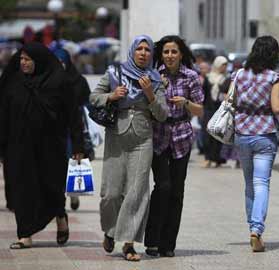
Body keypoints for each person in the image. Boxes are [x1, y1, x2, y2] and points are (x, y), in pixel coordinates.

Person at [89, 35, 168, 262]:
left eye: (148, 50)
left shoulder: (155, 79)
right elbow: (93, 97)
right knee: (111, 193)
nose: (143, 53)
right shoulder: (115, 72)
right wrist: (111, 96)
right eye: (139, 49)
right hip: (116, 136)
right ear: (132, 51)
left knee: (137, 192)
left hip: (143, 140)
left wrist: (151, 95)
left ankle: (129, 243)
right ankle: (110, 231)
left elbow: (162, 114)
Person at [0, 42, 84, 249]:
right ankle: (24, 234)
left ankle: (60, 215)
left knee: (51, 187)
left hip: (51, 148)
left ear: (39, 61)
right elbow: (2, 115)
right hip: (18, 147)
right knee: (21, 189)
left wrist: (78, 146)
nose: (23, 63)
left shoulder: (59, 82)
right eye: (21, 59)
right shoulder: (13, 82)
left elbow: (74, 116)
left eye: (28, 60)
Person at [144, 35, 204, 257]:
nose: (169, 56)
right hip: (158, 136)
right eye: (166, 52)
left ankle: (168, 244)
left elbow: (200, 110)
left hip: (181, 136)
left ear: (181, 54)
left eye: (174, 52)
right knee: (163, 187)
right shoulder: (153, 75)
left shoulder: (191, 77)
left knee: (177, 192)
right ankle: (152, 239)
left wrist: (186, 103)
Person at [233, 36, 279, 252]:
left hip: (242, 134)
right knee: (262, 183)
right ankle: (256, 229)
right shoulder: (274, 78)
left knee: (249, 185)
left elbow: (233, 101)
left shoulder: (239, 74)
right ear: (273, 55)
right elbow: (276, 107)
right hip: (264, 135)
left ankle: (253, 229)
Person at [53, 47, 92, 211]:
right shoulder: (47, 81)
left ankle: (74, 194)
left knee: (74, 160)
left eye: (62, 62)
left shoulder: (78, 81)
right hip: (54, 129)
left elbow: (88, 103)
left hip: (74, 128)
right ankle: (59, 196)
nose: (59, 66)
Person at [202, 56, 229, 168]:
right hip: (208, 109)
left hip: (220, 110)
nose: (224, 67)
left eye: (225, 65)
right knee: (207, 134)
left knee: (218, 134)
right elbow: (203, 93)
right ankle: (208, 157)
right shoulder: (208, 78)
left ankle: (216, 157)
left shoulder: (226, 79)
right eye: (223, 64)